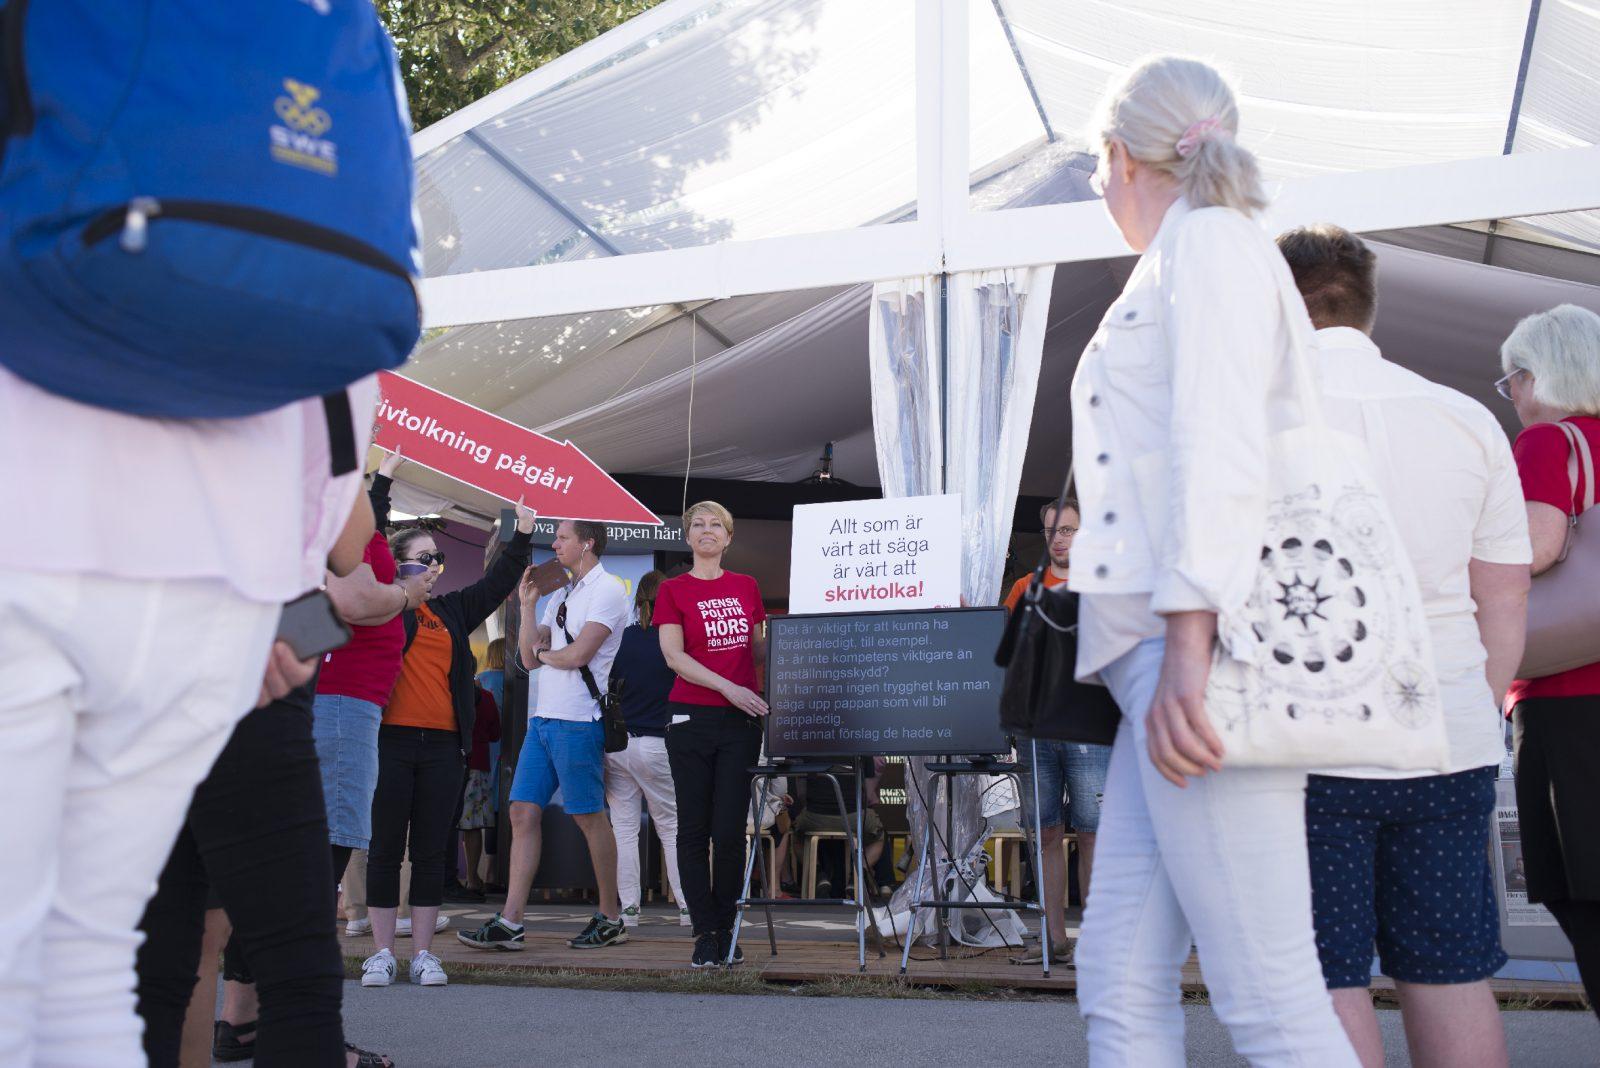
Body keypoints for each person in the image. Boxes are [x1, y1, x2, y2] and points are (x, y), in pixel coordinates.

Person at [1067, 57, 1362, 1064]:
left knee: (1270, 1002)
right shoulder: (1205, 249)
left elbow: (1222, 441)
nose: (1098, 191)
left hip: (1195, 651)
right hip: (1172, 650)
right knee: (1120, 976)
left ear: (1118, 155)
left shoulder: (1207, 247)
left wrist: (1187, 643)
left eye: (1095, 170)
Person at [0, 361, 376, 1065]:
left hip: (100, 651)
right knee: (295, 970)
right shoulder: (327, 357)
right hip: (254, 659)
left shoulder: (92, 311)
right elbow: (347, 545)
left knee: (123, 960)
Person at [1280, 224, 1530, 1068]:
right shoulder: (1467, 419)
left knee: (1321, 977)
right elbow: (1503, 596)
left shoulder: (1250, 421)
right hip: (1449, 732)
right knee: (1452, 970)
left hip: (1305, 742)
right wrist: (1476, 703)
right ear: (1366, 306)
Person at [362, 504, 536, 989]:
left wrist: (522, 531)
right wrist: (382, 484)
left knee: (430, 854)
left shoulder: (451, 609)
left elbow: (497, 583)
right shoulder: (383, 604)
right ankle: (380, 954)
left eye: (438, 557)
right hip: (389, 740)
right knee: (384, 849)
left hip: (442, 746)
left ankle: (421, 954)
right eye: (424, 557)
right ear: (397, 564)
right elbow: (364, 546)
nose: (435, 564)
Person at [458, 520, 631, 952]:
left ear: (587, 543)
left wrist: (544, 652)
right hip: (543, 720)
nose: (553, 544)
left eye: (562, 538)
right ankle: (511, 920)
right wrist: (529, 605)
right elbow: (527, 660)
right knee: (521, 812)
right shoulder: (562, 593)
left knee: (589, 817)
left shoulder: (607, 589)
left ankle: (611, 916)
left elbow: (577, 655)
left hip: (578, 720)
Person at [1497, 302, 1600, 1020]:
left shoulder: (1545, 443)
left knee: (1578, 888)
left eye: (1510, 382)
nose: (1512, 398)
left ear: (1536, 375)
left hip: (1568, 695)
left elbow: (1532, 549)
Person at [658, 502, 770, 969]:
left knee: (729, 833)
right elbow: (673, 656)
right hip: (691, 718)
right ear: (688, 537)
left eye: (715, 526)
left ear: (728, 538)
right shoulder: (672, 590)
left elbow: (759, 649)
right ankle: (703, 932)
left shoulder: (747, 587)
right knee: (693, 829)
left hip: (740, 724)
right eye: (698, 525)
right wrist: (729, 687)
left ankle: (727, 930)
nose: (706, 532)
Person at [1006, 497, 1110, 966]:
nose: (1059, 539)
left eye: (1068, 530)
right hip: (1035, 728)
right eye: (1051, 531)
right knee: (1044, 834)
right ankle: (1053, 939)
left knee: (1093, 834)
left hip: (1088, 727)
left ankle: (1096, 942)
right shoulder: (1024, 588)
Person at [606, 571, 692, 927]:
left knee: (624, 830)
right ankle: (689, 906)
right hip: (659, 743)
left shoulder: (620, 641)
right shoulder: (674, 641)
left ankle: (629, 910)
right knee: (672, 827)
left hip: (618, 745)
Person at [792, 764, 884, 900]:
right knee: (879, 836)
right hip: (853, 815)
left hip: (815, 815)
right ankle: (857, 876)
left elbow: (801, 792)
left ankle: (818, 874)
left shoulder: (809, 744)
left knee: (796, 834)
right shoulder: (859, 742)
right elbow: (870, 776)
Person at [457, 682, 503, 899]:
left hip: (451, 761)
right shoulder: (486, 697)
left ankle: (446, 878)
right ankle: (473, 877)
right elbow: (496, 733)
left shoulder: (450, 691)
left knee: (446, 824)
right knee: (472, 826)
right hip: (479, 764)